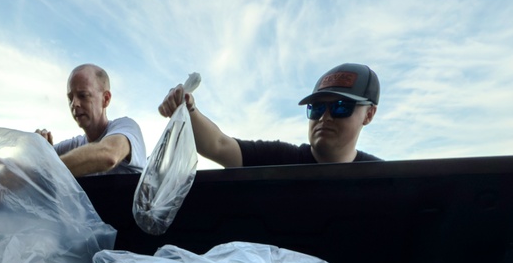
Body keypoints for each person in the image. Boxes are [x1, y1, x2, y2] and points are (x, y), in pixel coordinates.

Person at [158, 63, 381, 167]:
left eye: (341, 107)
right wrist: (188, 110)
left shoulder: (385, 180)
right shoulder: (279, 160)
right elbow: (219, 145)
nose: (325, 117)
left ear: (368, 115)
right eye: (317, 108)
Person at [36, 64, 146, 177]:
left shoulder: (127, 127)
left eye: (83, 95)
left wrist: (47, 168)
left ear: (106, 99)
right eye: (70, 98)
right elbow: (29, 170)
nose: (74, 104)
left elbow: (108, 156)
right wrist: (40, 151)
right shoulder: (72, 146)